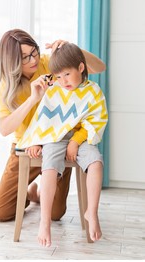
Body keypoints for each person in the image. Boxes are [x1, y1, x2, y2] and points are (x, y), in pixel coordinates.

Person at [0, 28, 106, 224]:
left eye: (33, 51)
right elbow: (4, 129)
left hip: (58, 142)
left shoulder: (48, 63)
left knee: (55, 214)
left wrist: (72, 48)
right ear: (13, 62)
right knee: (3, 212)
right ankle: (31, 192)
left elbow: (99, 67)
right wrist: (33, 99)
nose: (33, 59)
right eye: (25, 57)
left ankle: (40, 193)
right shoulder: (7, 86)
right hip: (27, 146)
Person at [16, 43, 108, 247]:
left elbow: (96, 120)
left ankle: (91, 212)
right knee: (48, 166)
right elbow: (43, 118)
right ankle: (44, 221)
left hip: (81, 139)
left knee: (96, 162)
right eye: (58, 76)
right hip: (54, 138)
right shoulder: (54, 90)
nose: (63, 81)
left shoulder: (93, 91)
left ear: (81, 68)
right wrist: (37, 141)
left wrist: (75, 141)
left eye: (67, 74)